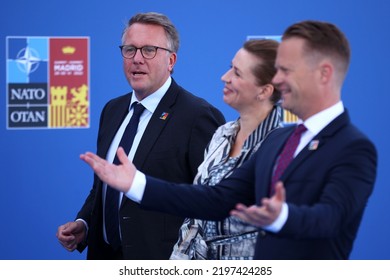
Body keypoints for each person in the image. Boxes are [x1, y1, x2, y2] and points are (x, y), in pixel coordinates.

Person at [80, 20, 378, 259]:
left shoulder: (354, 147)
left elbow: (331, 219)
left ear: (323, 74)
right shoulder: (281, 140)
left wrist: (279, 215)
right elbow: (216, 198)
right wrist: (135, 184)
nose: (279, 80)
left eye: (286, 70)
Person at [56, 12, 225, 260]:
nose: (137, 59)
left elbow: (211, 202)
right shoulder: (112, 110)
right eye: (130, 49)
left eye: (148, 50)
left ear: (171, 60)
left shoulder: (198, 116)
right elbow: (104, 188)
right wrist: (85, 223)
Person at [170, 39, 282, 260]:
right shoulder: (222, 134)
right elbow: (194, 216)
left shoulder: (280, 148)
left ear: (264, 91)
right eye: (230, 67)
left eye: (237, 73)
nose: (225, 77)